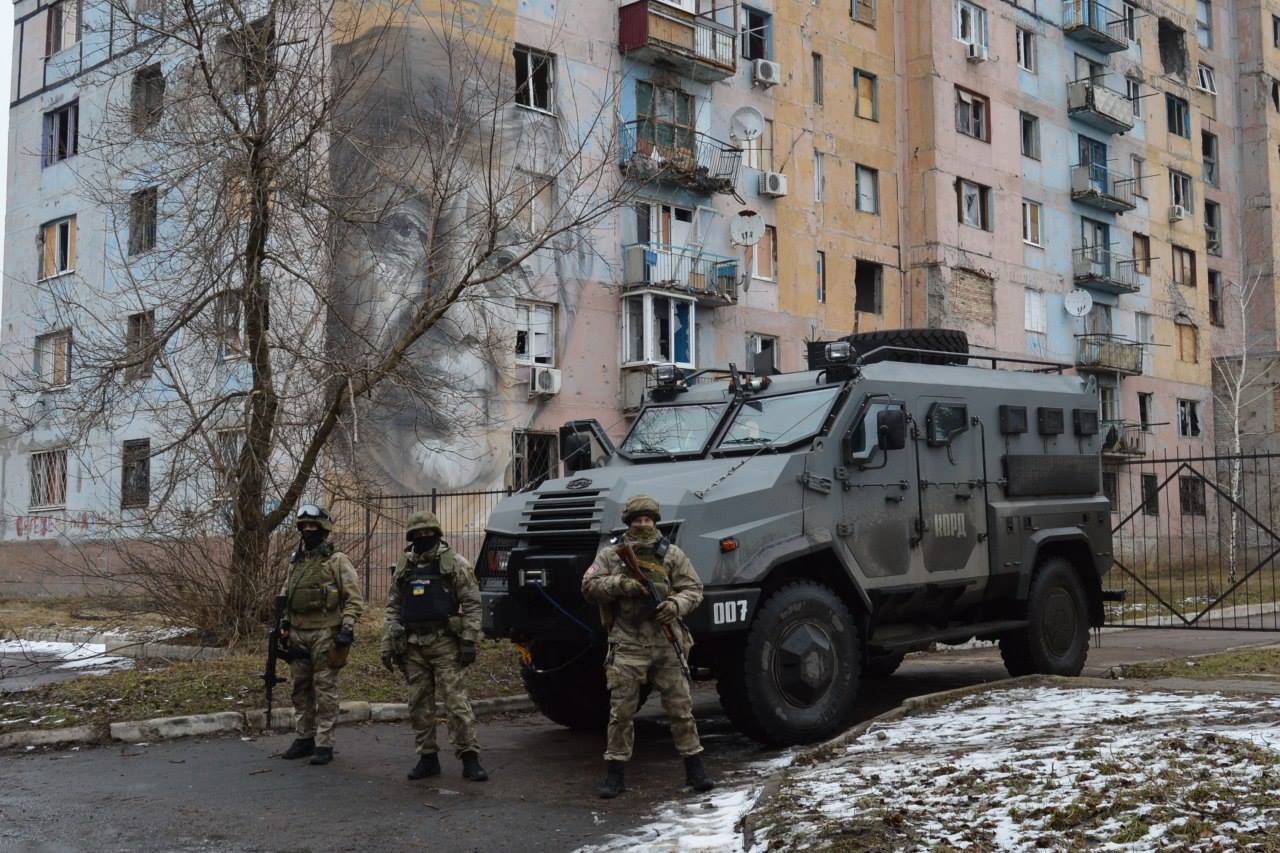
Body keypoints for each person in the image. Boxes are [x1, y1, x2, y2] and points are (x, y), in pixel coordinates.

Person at [581, 495, 715, 799]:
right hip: (628, 641)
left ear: (655, 522)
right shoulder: (613, 555)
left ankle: (695, 769)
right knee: (622, 712)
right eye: (637, 520)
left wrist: (674, 605)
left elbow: (693, 589)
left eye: (647, 520)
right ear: (629, 523)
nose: (643, 525)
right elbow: (588, 586)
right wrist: (621, 585)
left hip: (665, 639)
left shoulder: (672, 555)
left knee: (681, 709)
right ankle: (615, 774)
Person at [381, 510, 489, 782]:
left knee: (456, 703)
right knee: (418, 704)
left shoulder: (454, 563)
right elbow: (393, 606)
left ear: (436, 533)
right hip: (413, 645)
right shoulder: (405, 564)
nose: (422, 537)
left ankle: (469, 758)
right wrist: (388, 644)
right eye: (417, 534)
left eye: (427, 533)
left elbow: (473, 604)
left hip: (445, 644)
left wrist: (469, 640)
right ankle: (427, 758)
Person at [279, 504, 364, 766]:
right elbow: (286, 594)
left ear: (324, 529)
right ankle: (304, 737)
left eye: (313, 527)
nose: (308, 531)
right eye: (304, 527)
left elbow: (354, 599)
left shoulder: (337, 561)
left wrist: (347, 628)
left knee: (325, 689)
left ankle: (324, 742)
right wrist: (283, 624)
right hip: (297, 633)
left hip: (325, 633)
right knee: (299, 688)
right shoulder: (297, 562)